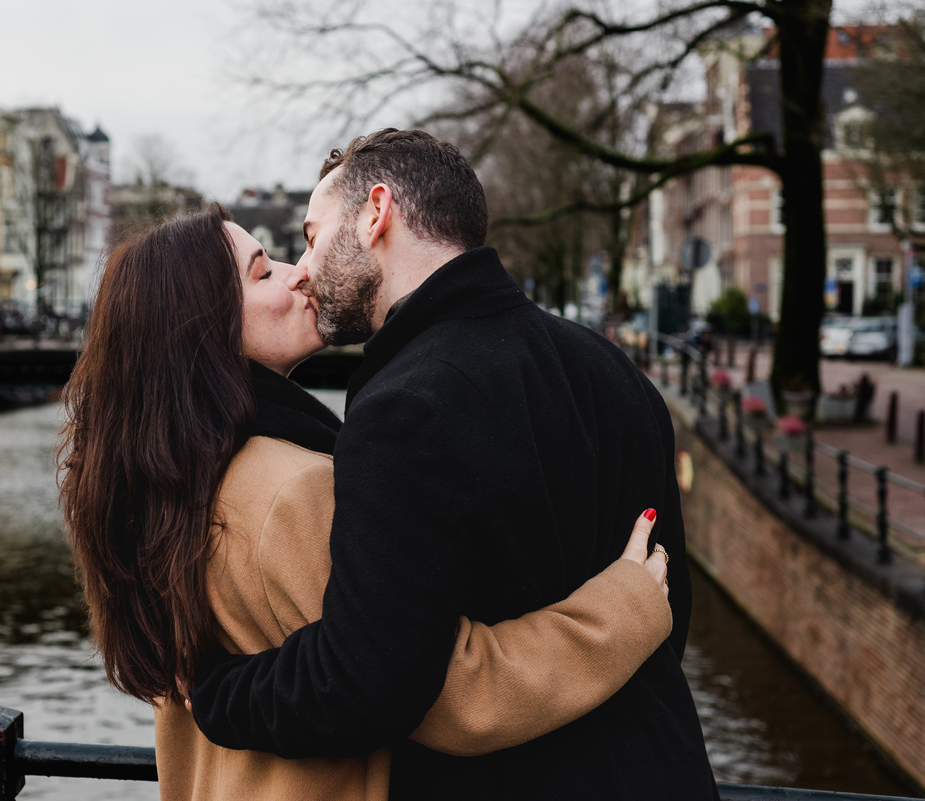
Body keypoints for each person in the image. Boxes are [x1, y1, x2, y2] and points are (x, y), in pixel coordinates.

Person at [59, 206, 674, 800]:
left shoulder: (163, 490)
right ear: (201, 330)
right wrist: (624, 608)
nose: (298, 273)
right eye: (264, 272)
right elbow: (443, 694)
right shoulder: (291, 492)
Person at [188, 130, 719, 800]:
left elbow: (368, 682)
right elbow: (667, 605)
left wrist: (217, 691)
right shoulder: (619, 374)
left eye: (314, 237)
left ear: (376, 213)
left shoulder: (402, 409)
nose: (306, 268)